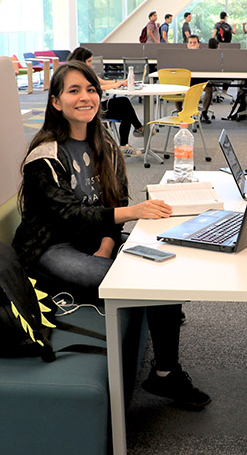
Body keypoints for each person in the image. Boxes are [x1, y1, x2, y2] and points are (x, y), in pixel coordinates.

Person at [12, 61, 210, 407]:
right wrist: (132, 213)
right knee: (146, 283)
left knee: (164, 265)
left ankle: (163, 356)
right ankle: (167, 374)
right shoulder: (43, 157)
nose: (85, 97)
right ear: (56, 102)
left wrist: (107, 246)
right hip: (49, 248)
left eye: (90, 89)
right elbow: (68, 216)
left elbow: (112, 202)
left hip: (94, 240)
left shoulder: (103, 143)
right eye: (74, 91)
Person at [68, 47, 143, 156]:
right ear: (81, 60)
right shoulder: (77, 74)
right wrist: (116, 84)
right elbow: (96, 87)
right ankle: (138, 130)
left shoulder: (86, 72)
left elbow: (102, 82)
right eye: (89, 61)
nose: (90, 64)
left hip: (97, 104)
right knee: (124, 104)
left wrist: (120, 82)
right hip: (90, 107)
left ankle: (127, 142)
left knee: (125, 107)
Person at [184, 35, 214, 123]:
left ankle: (204, 112)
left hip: (200, 79)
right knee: (178, 89)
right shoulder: (181, 55)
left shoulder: (204, 55)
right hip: (186, 79)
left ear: (198, 44)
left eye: (194, 43)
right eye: (190, 43)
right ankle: (180, 113)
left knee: (209, 88)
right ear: (187, 44)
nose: (192, 44)